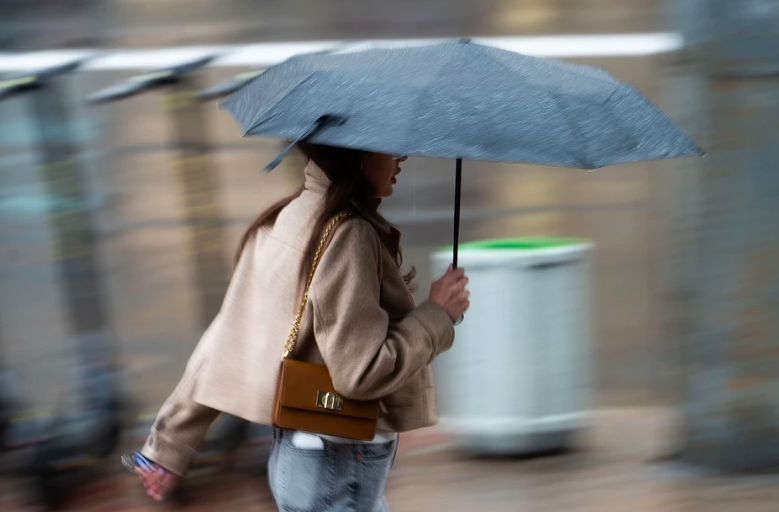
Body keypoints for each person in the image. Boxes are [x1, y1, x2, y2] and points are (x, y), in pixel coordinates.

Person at [133, 142, 470, 511]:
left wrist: (168, 443)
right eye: (386, 148)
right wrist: (438, 315)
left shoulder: (289, 218)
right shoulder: (349, 235)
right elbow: (361, 372)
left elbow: (225, 342)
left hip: (304, 456)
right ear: (354, 154)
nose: (402, 157)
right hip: (341, 463)